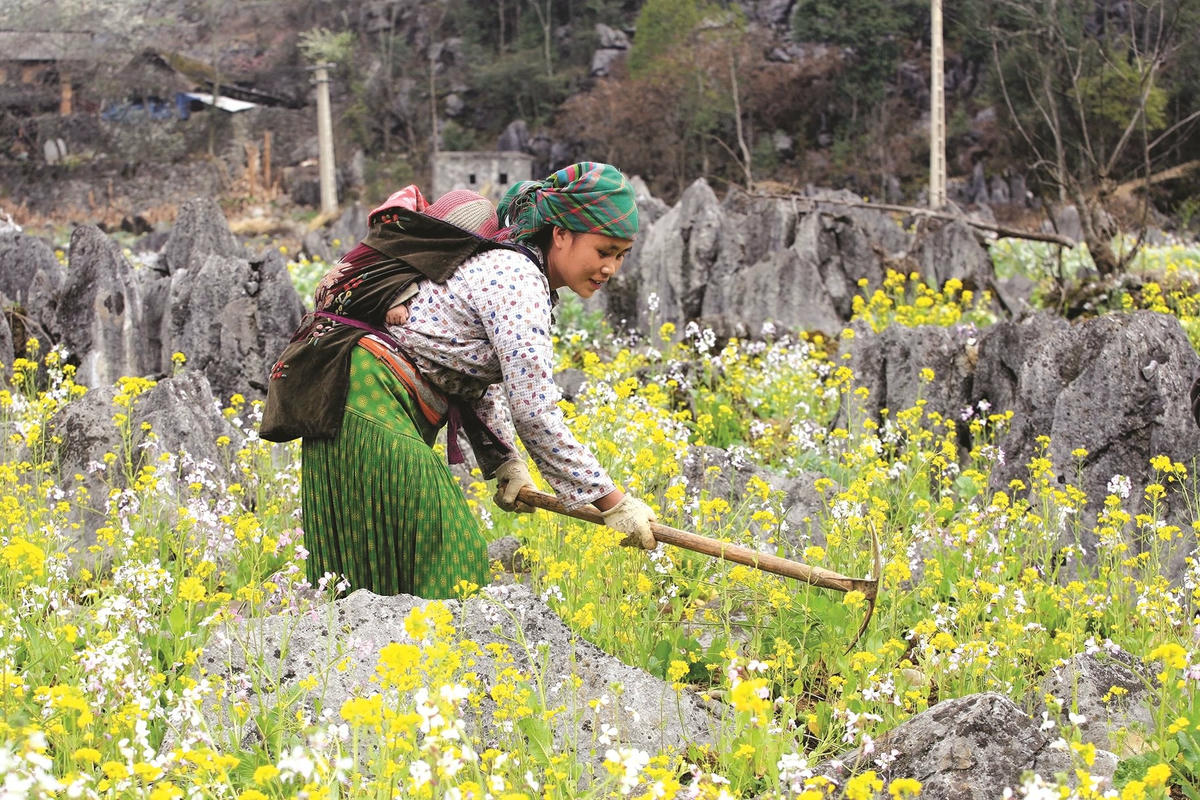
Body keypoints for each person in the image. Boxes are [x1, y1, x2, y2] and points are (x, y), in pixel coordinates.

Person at [271, 163, 656, 599]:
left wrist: (505, 462)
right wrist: (612, 502)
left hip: (356, 401)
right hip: (367, 401)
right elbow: (535, 411)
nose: (610, 268)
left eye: (621, 255)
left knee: (378, 573)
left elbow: (471, 374)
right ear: (561, 234)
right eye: (603, 251)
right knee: (454, 558)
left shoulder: (518, 273)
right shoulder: (519, 279)